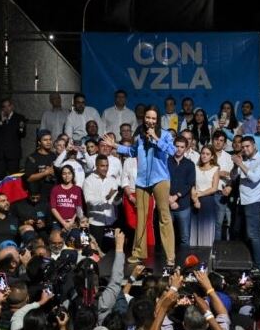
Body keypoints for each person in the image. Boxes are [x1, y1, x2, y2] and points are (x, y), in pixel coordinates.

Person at [107, 108, 177, 267]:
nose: (150, 121)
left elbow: (172, 151)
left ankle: (170, 256)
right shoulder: (139, 135)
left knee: (164, 216)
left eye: (153, 118)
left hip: (160, 179)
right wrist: (115, 146)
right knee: (141, 217)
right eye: (148, 117)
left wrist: (156, 138)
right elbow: (132, 151)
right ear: (144, 118)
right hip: (142, 181)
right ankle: (139, 253)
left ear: (157, 120)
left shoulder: (164, 134)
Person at [232, 136, 260, 270]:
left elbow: (254, 177)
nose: (245, 149)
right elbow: (233, 177)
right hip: (241, 201)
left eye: (248, 146)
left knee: (254, 235)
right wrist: (236, 165)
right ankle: (243, 263)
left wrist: (240, 164)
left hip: (253, 202)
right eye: (243, 147)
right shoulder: (244, 160)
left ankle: (258, 267)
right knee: (240, 233)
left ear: (254, 146)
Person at [167, 137, 196, 261]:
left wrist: (175, 196)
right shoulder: (166, 161)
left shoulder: (189, 164)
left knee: (184, 237)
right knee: (167, 235)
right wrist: (168, 198)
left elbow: (189, 184)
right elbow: (161, 180)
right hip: (166, 204)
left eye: (182, 147)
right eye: (176, 146)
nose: (178, 149)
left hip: (183, 205)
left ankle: (183, 264)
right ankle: (167, 262)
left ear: (186, 148)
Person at [83, 156, 119, 246]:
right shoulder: (88, 181)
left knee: (109, 251)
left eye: (107, 166)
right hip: (95, 223)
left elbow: (115, 202)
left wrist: (118, 198)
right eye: (102, 166)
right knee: (95, 250)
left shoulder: (112, 180)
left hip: (110, 222)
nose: (105, 168)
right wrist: (107, 197)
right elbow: (89, 201)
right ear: (96, 165)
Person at [191, 146, 221, 248]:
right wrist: (195, 199)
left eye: (207, 154)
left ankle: (205, 256)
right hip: (195, 201)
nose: (204, 156)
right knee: (194, 228)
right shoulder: (195, 168)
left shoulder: (215, 169)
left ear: (212, 156)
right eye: (203, 153)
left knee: (206, 228)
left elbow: (214, 188)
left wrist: (199, 194)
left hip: (208, 201)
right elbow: (192, 185)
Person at [0, 97, 27, 178]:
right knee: (0, 178)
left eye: (8, 106)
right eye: (4, 106)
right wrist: (1, 121)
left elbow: (23, 134)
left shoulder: (19, 118)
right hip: (1, 154)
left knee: (13, 178)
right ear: (2, 108)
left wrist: (21, 128)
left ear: (12, 106)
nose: (7, 108)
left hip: (13, 154)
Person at [24, 129, 58, 200]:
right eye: (45, 140)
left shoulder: (54, 156)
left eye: (50, 139)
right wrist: (45, 173)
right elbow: (29, 178)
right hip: (39, 195)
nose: (48, 142)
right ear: (39, 142)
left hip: (53, 193)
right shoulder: (32, 158)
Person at [50, 166, 85, 231]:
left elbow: (79, 207)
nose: (67, 176)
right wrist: (63, 223)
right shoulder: (55, 189)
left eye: (69, 173)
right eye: (64, 173)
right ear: (61, 175)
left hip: (73, 222)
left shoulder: (78, 189)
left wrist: (71, 222)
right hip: (58, 222)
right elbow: (53, 208)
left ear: (72, 175)